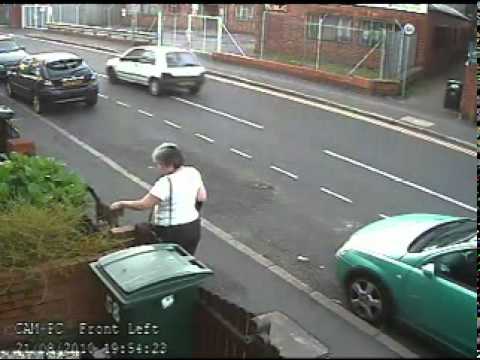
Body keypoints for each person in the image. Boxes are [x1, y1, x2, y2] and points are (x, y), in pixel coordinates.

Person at [110, 143, 207, 255]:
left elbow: (143, 205)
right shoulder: (193, 171)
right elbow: (202, 197)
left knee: (166, 263)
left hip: (171, 232)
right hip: (193, 228)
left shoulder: (165, 183)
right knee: (185, 261)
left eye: (159, 164)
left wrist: (121, 204)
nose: (157, 168)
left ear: (169, 165)